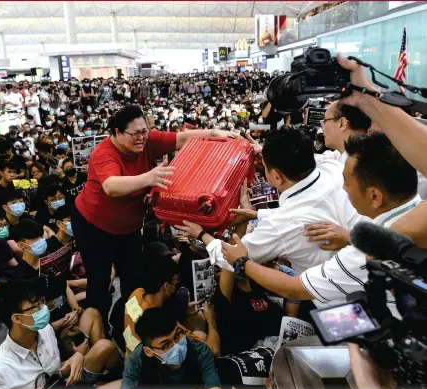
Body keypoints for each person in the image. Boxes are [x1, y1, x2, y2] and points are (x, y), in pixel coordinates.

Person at [219, 132, 420, 318]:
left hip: (360, 319)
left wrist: (241, 262)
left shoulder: (360, 255)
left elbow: (292, 288)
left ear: (375, 196)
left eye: (347, 183)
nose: (342, 188)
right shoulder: (416, 211)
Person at [72, 105, 233, 321]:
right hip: (93, 225)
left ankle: (129, 323)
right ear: (117, 133)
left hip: (128, 227)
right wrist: (149, 178)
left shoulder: (148, 140)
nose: (141, 138)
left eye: (144, 131)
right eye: (135, 133)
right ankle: (97, 327)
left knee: (133, 278)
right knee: (100, 279)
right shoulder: (104, 154)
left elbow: (181, 139)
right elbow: (111, 186)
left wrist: (215, 134)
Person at [178, 128, 361, 275]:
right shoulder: (334, 168)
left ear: (276, 176)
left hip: (329, 301)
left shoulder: (282, 224)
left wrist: (201, 234)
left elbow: (231, 256)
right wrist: (258, 214)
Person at [123, 242, 220, 358]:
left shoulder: (136, 294)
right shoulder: (163, 323)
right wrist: (211, 321)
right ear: (166, 286)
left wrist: (182, 309)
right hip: (156, 371)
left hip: (131, 359)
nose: (177, 284)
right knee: (201, 333)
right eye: (175, 280)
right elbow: (213, 351)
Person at [118, 307, 222, 389]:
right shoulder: (137, 360)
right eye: (166, 345)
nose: (176, 346)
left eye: (177, 336)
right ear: (149, 351)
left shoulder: (200, 351)